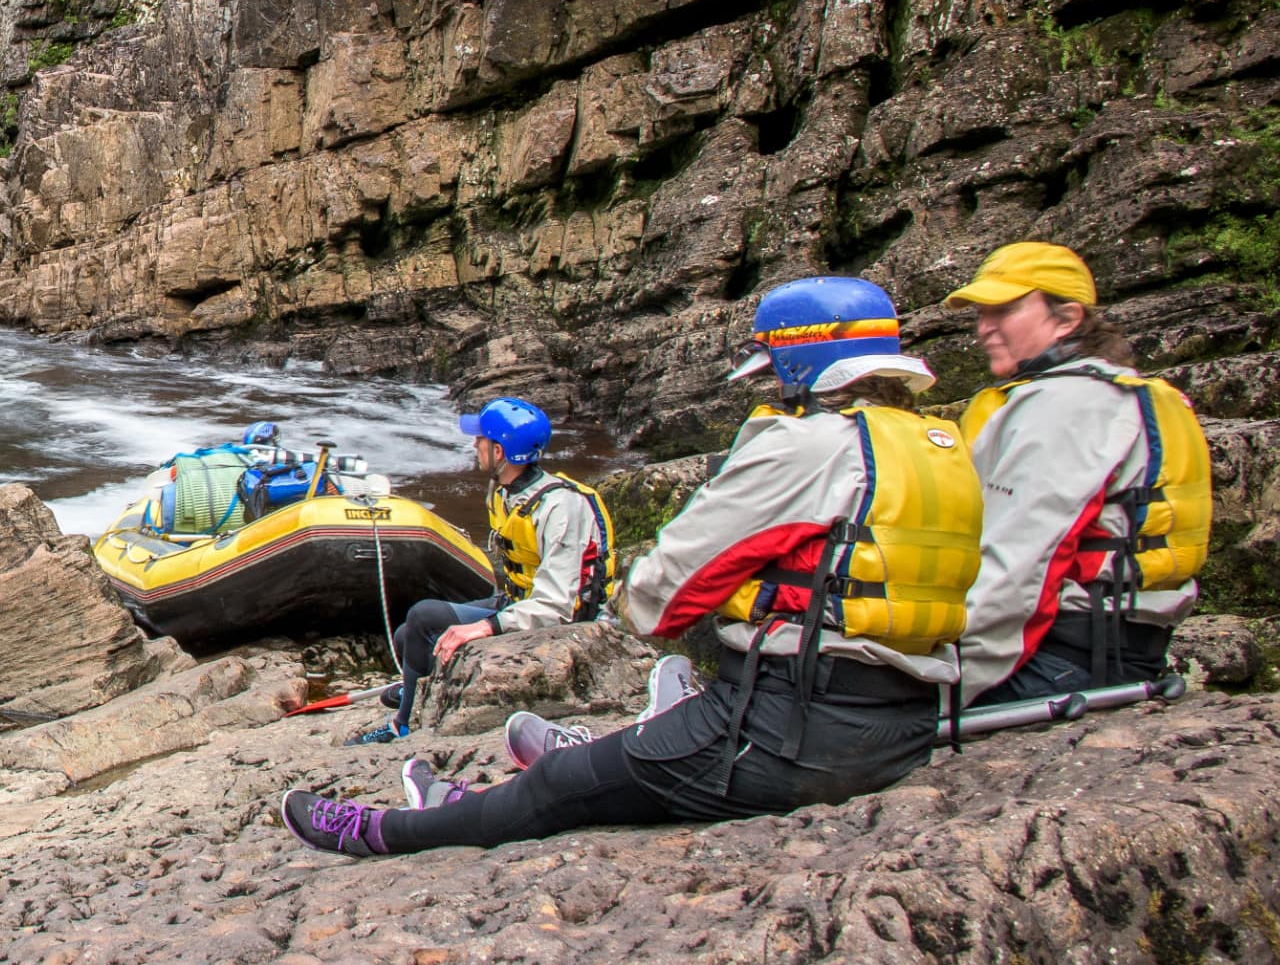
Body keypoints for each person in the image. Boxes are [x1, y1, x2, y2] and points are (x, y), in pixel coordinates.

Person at [280, 276, 981, 857]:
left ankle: (387, 831)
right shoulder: (942, 448)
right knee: (605, 753)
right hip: (905, 722)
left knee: (555, 788)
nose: (767, 393)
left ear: (801, 368)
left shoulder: (803, 446)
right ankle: (639, 725)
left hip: (788, 731)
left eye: (771, 375)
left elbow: (658, 598)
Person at [942, 242, 1211, 705]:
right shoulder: (1121, 392)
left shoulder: (1067, 405)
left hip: (1058, 658)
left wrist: (947, 686)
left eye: (1003, 310)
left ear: (1066, 318)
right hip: (1117, 650)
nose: (984, 328)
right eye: (981, 314)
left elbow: (1018, 573)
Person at [353, 398, 617, 744]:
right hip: (519, 601)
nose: (474, 445)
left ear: (500, 451)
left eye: (481, 440)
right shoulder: (504, 490)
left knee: (422, 617)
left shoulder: (560, 508)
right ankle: (420, 691)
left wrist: (487, 626)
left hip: (566, 620)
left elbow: (558, 606)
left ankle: (403, 725)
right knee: (406, 636)